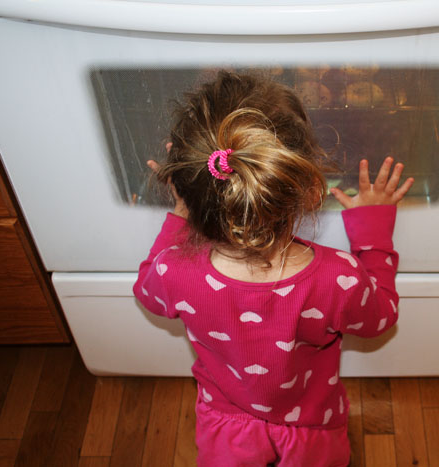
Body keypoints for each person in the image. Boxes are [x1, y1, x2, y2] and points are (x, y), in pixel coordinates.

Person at [133, 71, 414, 466]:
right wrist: (373, 234)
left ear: (184, 184)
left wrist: (181, 218)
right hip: (311, 426)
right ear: (308, 191)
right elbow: (381, 317)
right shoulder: (339, 277)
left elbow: (146, 294)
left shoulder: (173, 272)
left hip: (226, 426)